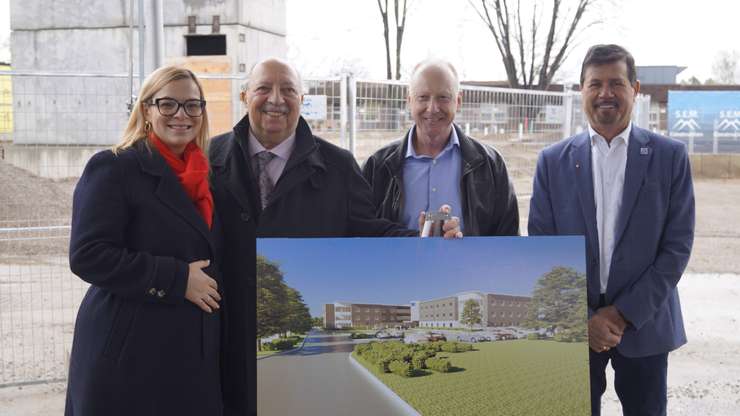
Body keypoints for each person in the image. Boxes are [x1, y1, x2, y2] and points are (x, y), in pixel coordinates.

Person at [208, 57, 461, 415]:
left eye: (289, 90)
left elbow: (369, 230)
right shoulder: (207, 159)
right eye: (264, 88)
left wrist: (423, 240)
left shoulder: (338, 166)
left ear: (303, 98)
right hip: (220, 338)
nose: (276, 99)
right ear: (245, 94)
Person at [528, 44, 695, 416]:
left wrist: (621, 314)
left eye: (616, 83)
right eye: (595, 84)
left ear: (635, 90)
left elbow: (677, 248)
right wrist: (584, 317)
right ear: (581, 90)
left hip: (645, 324)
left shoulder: (670, 158)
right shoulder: (552, 162)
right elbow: (542, 249)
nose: (606, 94)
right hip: (573, 324)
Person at [65, 66, 225, 415]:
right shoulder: (114, 167)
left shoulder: (208, 176)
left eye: (192, 105)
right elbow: (87, 254)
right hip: (129, 354)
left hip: (189, 354)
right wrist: (176, 279)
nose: (181, 115)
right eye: (167, 104)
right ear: (146, 110)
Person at [362, 59, 519, 236]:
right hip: (398, 264)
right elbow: (363, 232)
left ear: (458, 102)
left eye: (443, 97)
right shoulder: (378, 166)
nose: (433, 108)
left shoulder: (491, 165)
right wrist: (414, 239)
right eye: (423, 98)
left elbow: (508, 240)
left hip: (470, 264)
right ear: (410, 101)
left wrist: (463, 244)